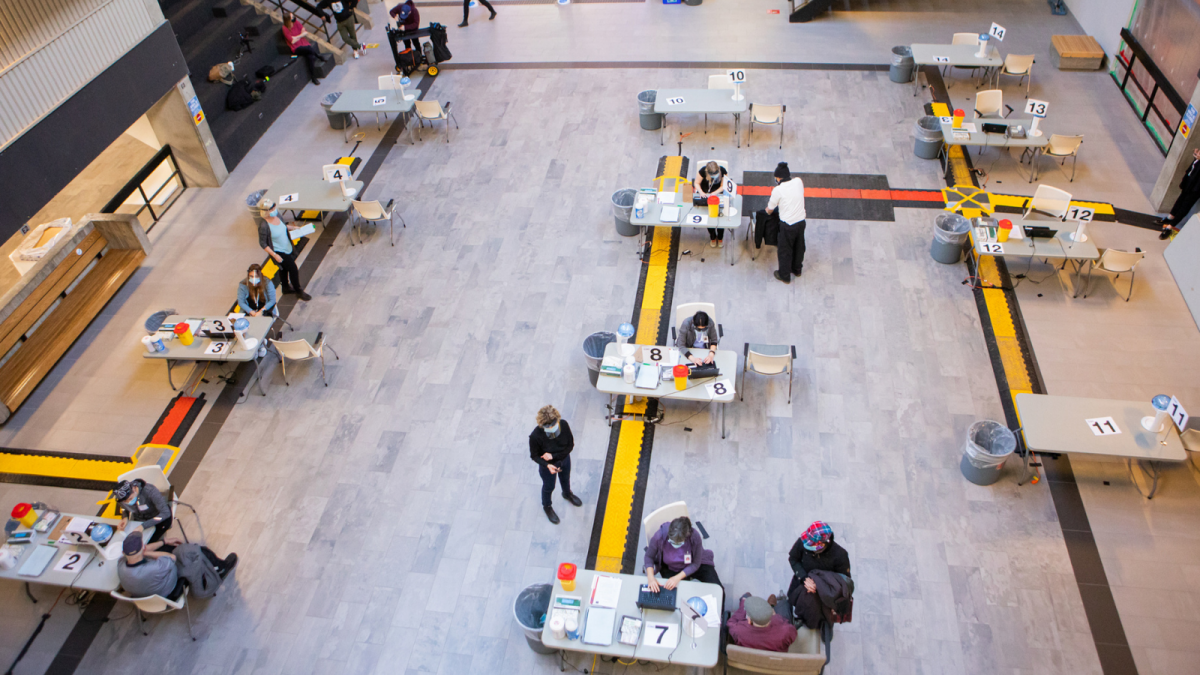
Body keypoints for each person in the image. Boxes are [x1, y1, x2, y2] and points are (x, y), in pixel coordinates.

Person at [118, 534, 237, 600]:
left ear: (124, 552)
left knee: (168, 548)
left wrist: (164, 541)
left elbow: (141, 552)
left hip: (146, 595)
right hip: (168, 589)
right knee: (197, 551)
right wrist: (146, 553)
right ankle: (222, 568)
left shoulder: (121, 565)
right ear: (143, 549)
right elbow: (171, 558)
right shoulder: (156, 568)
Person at [786, 521, 851, 628]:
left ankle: (825, 627)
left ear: (823, 544)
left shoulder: (840, 555)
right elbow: (794, 559)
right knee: (800, 605)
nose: (807, 545)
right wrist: (804, 578)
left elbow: (844, 582)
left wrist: (820, 585)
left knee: (821, 616)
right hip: (801, 585)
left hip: (825, 598)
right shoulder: (804, 541)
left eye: (812, 544)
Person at [529, 406, 582, 524]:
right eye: (548, 426)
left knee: (565, 479)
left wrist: (553, 456)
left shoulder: (564, 425)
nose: (552, 428)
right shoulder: (535, 436)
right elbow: (534, 456)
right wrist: (547, 464)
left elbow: (570, 446)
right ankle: (547, 506)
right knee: (549, 487)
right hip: (548, 467)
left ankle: (567, 494)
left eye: (553, 424)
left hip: (564, 460)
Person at [644, 516, 722, 590]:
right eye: (672, 542)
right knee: (672, 596)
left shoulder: (695, 536)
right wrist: (651, 578)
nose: (675, 546)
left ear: (686, 537)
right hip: (671, 568)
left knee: (717, 588)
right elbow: (649, 556)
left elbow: (695, 564)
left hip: (693, 564)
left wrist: (677, 578)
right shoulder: (659, 536)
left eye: (679, 543)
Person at [257, 199, 312, 302]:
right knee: (293, 268)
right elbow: (263, 243)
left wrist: (293, 227)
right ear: (265, 211)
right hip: (278, 251)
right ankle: (298, 290)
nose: (274, 209)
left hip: (287, 246)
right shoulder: (264, 225)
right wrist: (274, 255)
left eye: (274, 206)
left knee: (283, 268)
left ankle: (285, 287)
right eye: (271, 208)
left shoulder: (277, 215)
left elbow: (282, 226)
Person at [764, 162, 807, 283]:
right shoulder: (799, 181)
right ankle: (797, 269)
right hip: (801, 222)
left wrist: (766, 212)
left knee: (785, 250)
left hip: (787, 225)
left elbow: (770, 208)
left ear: (778, 178)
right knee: (799, 247)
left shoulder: (778, 190)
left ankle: (784, 275)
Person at [726, 593, 798, 653]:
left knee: (746, 596)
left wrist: (742, 607)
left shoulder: (739, 631)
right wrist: (775, 616)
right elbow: (792, 633)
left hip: (750, 661)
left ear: (749, 620)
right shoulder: (786, 631)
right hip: (773, 662)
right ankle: (771, 606)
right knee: (784, 603)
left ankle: (767, 605)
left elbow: (730, 623)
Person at [113, 479, 172, 543]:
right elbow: (123, 508)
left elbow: (165, 513)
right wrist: (125, 517)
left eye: (130, 498)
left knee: (144, 543)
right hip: (140, 520)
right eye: (125, 501)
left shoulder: (150, 491)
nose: (128, 502)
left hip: (159, 519)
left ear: (134, 488)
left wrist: (143, 526)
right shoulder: (121, 498)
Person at [1160, 148, 1200, 239]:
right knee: (1179, 201)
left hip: (1195, 189)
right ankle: (1170, 218)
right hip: (1188, 184)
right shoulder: (1197, 161)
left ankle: (1171, 226)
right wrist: (1196, 158)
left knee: (1185, 207)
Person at [282, 11, 329, 84]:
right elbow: (292, 41)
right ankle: (318, 56)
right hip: (296, 48)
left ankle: (313, 77)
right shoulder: (285, 28)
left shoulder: (296, 22)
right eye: (292, 17)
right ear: (288, 19)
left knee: (311, 57)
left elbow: (305, 32)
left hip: (303, 43)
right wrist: (300, 35)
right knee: (309, 49)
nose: (294, 18)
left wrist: (296, 36)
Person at [693, 161, 729, 248]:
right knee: (709, 217)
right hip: (705, 194)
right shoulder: (702, 171)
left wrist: (715, 193)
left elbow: (723, 186)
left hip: (718, 195)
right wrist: (701, 192)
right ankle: (712, 236)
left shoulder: (723, 171)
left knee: (720, 218)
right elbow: (696, 183)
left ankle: (720, 237)